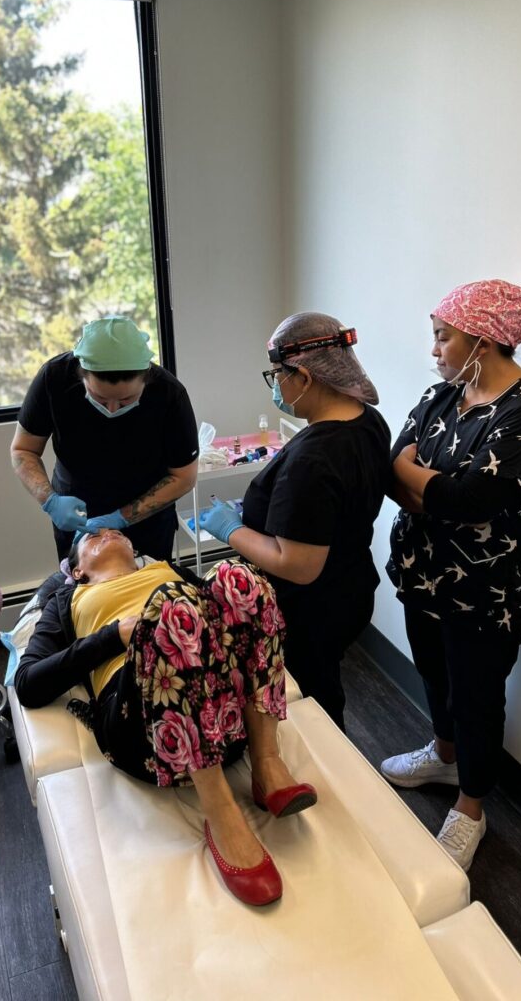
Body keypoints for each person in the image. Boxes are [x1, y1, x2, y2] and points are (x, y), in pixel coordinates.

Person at [15, 528, 317, 907]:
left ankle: (267, 762)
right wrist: (113, 636)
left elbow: (226, 615)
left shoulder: (164, 569)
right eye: (92, 537)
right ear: (77, 572)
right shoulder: (70, 598)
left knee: (236, 576)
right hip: (143, 730)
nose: (105, 532)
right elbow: (27, 683)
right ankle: (220, 810)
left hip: (225, 717)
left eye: (112, 531)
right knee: (171, 606)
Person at [382, 279, 521, 871]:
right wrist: (425, 490)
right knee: (434, 674)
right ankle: (442, 753)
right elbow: (395, 465)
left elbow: (467, 501)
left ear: (482, 341)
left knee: (477, 696)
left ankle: (470, 808)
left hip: (485, 592)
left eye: (443, 338)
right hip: (422, 573)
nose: (434, 351)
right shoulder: (443, 396)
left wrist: (424, 485)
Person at [199, 312, 391, 730]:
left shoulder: (313, 458)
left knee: (311, 703)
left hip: (310, 608)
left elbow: (298, 566)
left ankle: (328, 781)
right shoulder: (367, 421)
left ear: (303, 376)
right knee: (324, 683)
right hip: (351, 586)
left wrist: (232, 529)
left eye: (276, 376)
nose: (276, 387)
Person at [10, 316, 199, 562]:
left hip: (146, 522)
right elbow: (23, 450)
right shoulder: (54, 379)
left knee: (147, 593)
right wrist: (50, 500)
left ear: (146, 379)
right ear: (81, 376)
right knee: (82, 591)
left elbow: (184, 477)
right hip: (75, 517)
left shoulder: (170, 395)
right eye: (99, 398)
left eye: (125, 400)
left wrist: (120, 517)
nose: (111, 409)